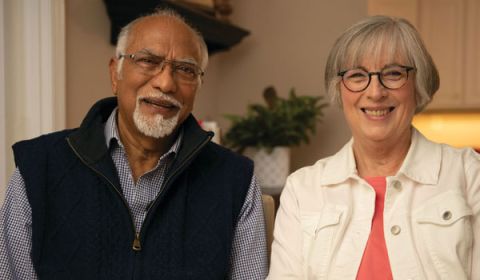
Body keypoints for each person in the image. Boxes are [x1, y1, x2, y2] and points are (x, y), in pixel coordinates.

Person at [0, 9, 268, 279]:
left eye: (185, 69)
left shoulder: (236, 181)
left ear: (198, 84)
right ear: (115, 74)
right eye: (148, 61)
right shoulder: (39, 168)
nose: (165, 83)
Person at [268, 15, 479, 279]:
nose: (375, 92)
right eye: (357, 75)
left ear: (418, 84)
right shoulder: (303, 190)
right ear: (340, 89)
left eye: (393, 73)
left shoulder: (469, 174)